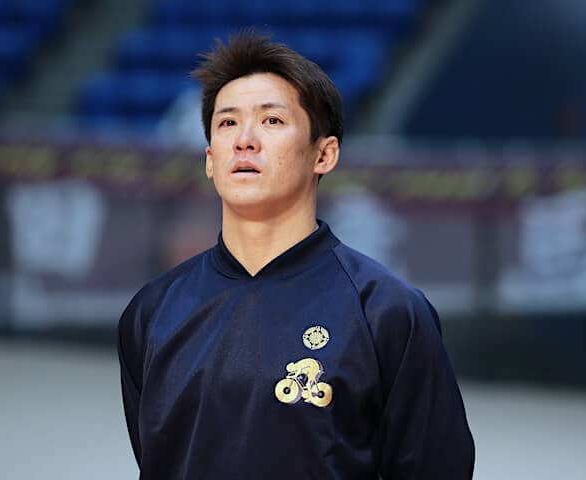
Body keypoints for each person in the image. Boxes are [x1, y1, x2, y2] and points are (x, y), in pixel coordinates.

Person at [118, 32, 475, 479]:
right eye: (227, 123)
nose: (245, 140)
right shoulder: (152, 313)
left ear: (324, 154)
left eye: (271, 120)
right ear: (210, 159)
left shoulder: (386, 312)